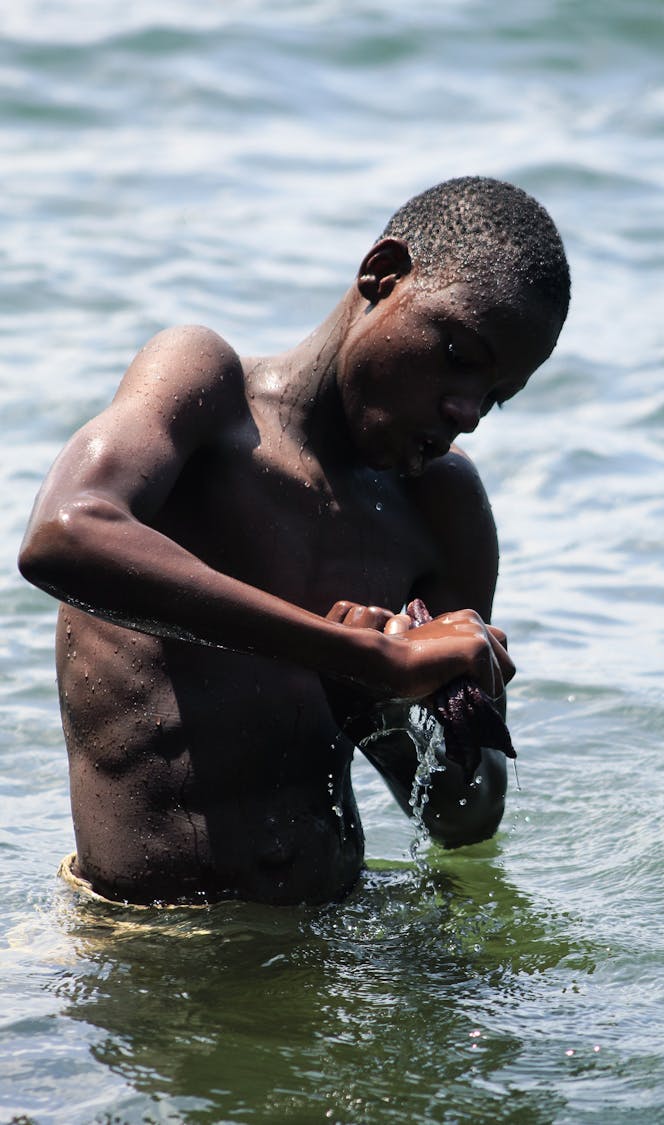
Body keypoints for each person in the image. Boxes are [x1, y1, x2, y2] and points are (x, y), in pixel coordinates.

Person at [18, 176, 570, 906]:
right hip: (145, 937)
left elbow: (465, 819)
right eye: (458, 356)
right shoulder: (207, 396)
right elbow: (63, 536)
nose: (465, 411)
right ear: (383, 274)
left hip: (334, 934)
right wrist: (361, 651)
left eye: (497, 396)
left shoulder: (442, 504)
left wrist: (376, 705)